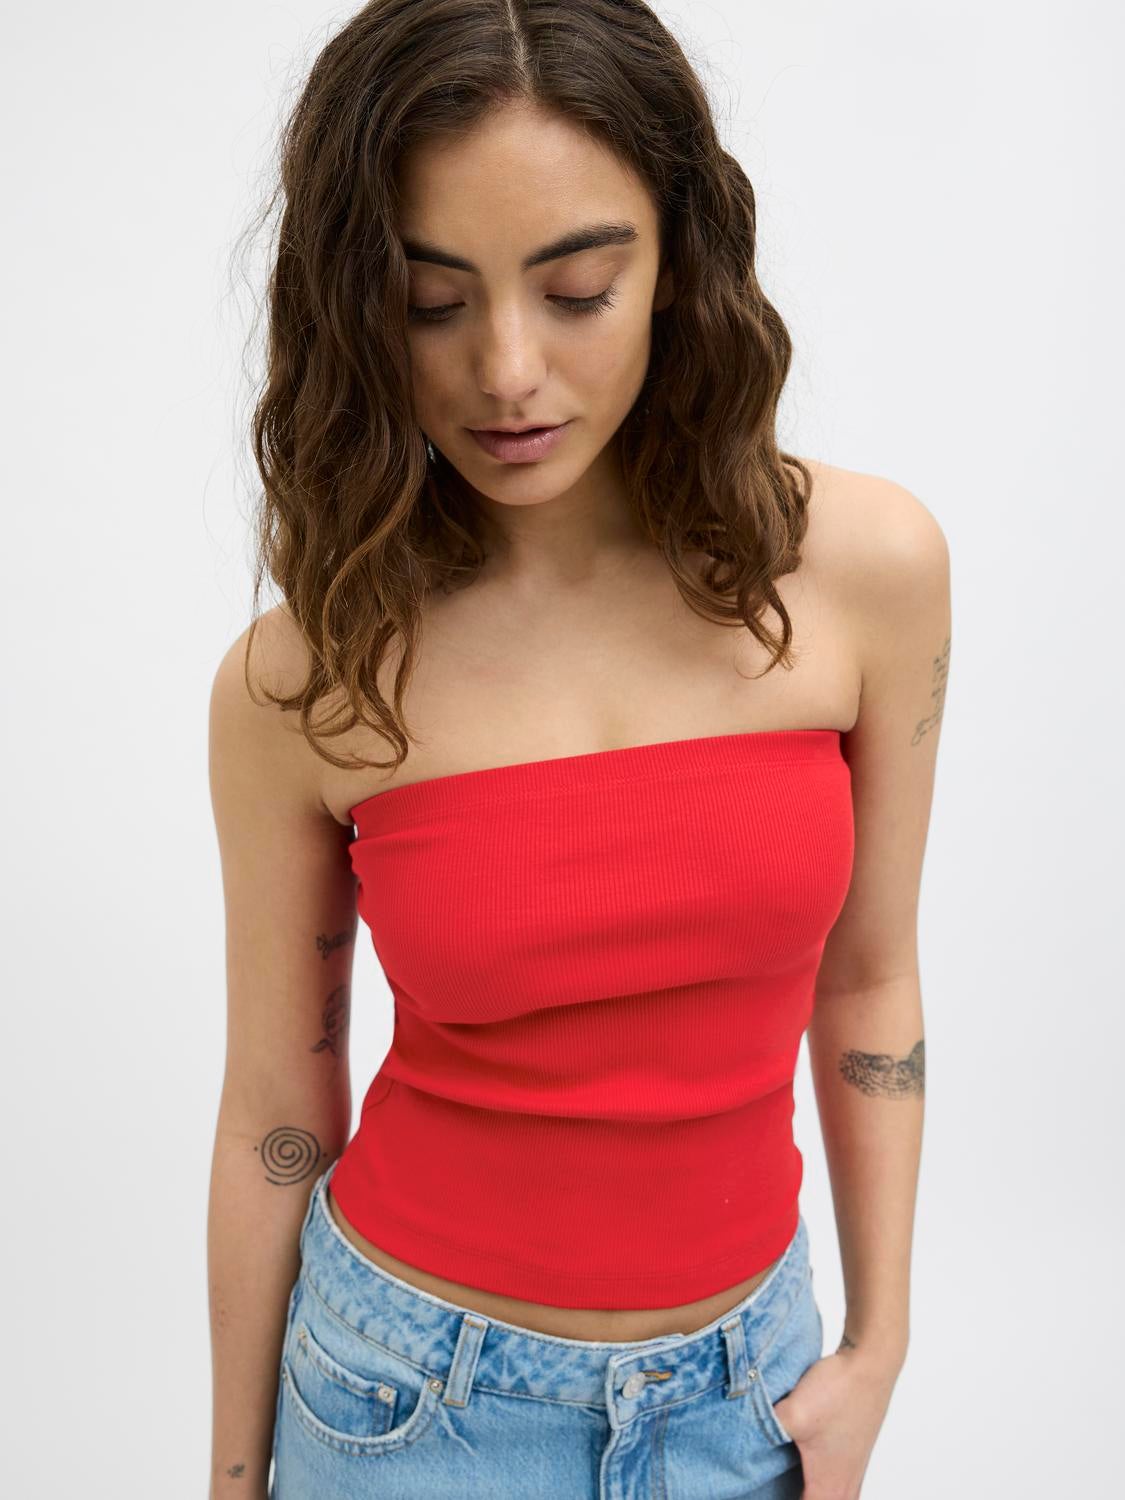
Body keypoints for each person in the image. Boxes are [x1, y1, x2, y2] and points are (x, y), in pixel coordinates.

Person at [206, 2, 948, 1497]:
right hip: (403, 1404)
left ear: (679, 264)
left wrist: (877, 1348)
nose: (506, 370)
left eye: (577, 290)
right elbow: (278, 1110)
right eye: (431, 302)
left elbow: (869, 978)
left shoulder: (864, 571)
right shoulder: (305, 675)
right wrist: (232, 1481)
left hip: (749, 1397)